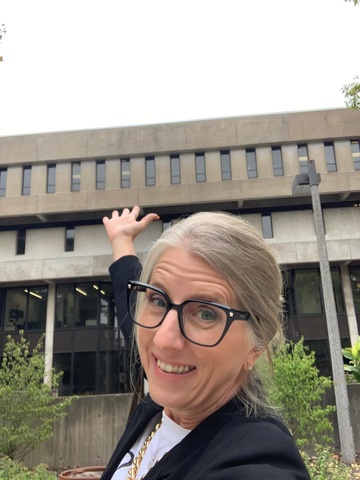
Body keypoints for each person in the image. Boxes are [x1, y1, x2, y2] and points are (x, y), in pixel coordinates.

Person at [101, 206, 310, 480]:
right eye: (158, 300)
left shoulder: (256, 459)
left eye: (205, 314)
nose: (163, 339)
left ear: (256, 345)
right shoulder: (165, 396)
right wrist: (122, 241)